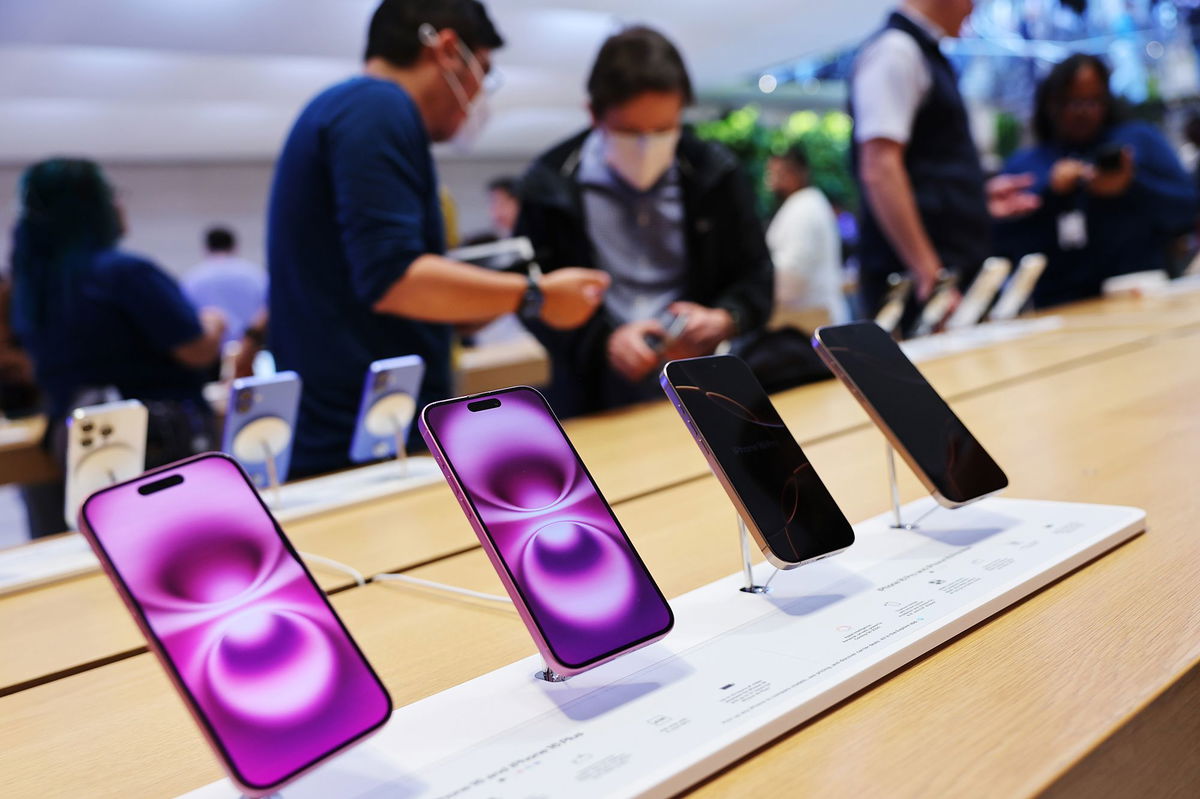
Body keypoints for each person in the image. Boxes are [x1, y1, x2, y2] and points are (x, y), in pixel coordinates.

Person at [268, 0, 609, 476]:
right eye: (483, 71)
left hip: (361, 432)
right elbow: (395, 279)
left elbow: (373, 284)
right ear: (448, 50)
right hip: (362, 444)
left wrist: (479, 304)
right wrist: (537, 295)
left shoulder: (350, 109)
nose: (478, 94)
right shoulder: (377, 106)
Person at [517, 26, 773, 416]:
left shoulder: (714, 172)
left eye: (662, 131)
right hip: (595, 395)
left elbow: (757, 274)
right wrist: (602, 342)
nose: (646, 147)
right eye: (628, 132)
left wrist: (726, 317)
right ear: (593, 114)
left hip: (707, 385)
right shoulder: (549, 183)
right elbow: (531, 296)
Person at [9, 158, 225, 534]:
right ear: (93, 207)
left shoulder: (34, 285)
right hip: (157, 438)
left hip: (75, 435)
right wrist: (214, 322)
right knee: (182, 546)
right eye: (112, 195)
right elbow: (196, 350)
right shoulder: (123, 272)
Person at [850, 0, 1039, 324]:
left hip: (943, 277)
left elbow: (920, 171)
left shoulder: (920, 52)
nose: (974, 9)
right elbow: (879, 169)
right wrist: (930, 275)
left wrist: (974, 201)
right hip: (918, 287)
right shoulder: (896, 51)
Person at [995, 55, 1198, 307]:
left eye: (1093, 101)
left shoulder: (1137, 142)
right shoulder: (1027, 165)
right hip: (1059, 306)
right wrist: (1052, 193)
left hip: (1142, 294)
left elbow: (1188, 208)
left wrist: (1131, 185)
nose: (1083, 112)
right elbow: (999, 245)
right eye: (1072, 102)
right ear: (1050, 103)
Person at [764, 145, 849, 324]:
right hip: (813, 320)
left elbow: (789, 285)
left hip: (811, 324)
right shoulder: (807, 203)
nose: (769, 182)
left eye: (777, 174)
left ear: (796, 174)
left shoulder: (802, 209)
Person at [182, 226, 267, 346]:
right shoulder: (256, 275)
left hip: (212, 351)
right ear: (235, 247)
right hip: (250, 348)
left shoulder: (192, 279)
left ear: (205, 248)